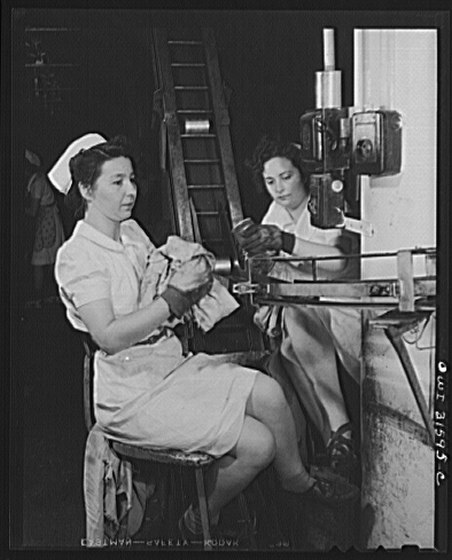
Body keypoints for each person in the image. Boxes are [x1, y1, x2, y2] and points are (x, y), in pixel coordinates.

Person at [50, 133, 358, 542]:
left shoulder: (132, 234)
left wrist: (197, 270)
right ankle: (202, 519)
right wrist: (175, 297)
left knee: (270, 394)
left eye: (133, 179)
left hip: (167, 366)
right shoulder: (77, 256)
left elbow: (160, 278)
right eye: (117, 182)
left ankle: (295, 482)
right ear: (87, 190)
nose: (131, 191)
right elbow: (109, 336)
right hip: (131, 394)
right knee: (259, 445)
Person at [233, 136, 362, 476]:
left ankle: (340, 430)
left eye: (286, 177)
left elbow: (336, 263)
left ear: (302, 174)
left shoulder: (325, 203)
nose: (279, 188)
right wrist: (263, 264)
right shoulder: (275, 213)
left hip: (346, 307)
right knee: (286, 354)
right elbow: (284, 271)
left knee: (296, 322)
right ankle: (337, 443)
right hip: (311, 307)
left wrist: (285, 243)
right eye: (270, 181)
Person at [24, 149, 65, 300]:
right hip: (45, 221)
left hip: (48, 223)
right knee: (46, 259)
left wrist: (21, 209)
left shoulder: (38, 183)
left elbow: (33, 211)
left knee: (39, 260)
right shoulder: (34, 181)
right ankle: (46, 294)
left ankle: (39, 296)